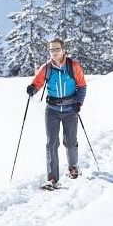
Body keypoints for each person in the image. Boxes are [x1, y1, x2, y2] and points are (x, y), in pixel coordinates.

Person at [26, 38, 87, 189]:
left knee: (70, 142)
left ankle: (73, 167)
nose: (54, 53)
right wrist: (32, 88)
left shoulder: (73, 66)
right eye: (51, 50)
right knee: (51, 143)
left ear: (63, 50)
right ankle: (52, 179)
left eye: (57, 49)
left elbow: (82, 86)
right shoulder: (46, 68)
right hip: (52, 110)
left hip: (70, 110)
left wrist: (78, 102)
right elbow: (37, 82)